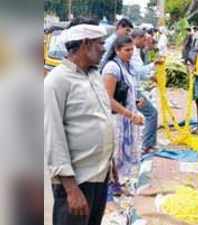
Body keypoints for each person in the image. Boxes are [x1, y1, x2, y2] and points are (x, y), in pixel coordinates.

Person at [45, 24, 113, 225]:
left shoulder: (93, 75)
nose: (103, 48)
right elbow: (53, 138)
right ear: (85, 44)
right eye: (100, 43)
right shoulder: (57, 81)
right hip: (77, 181)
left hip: (100, 175)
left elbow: (101, 118)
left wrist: (111, 159)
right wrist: (71, 190)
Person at [102, 36, 145, 191]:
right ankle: (113, 183)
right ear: (116, 50)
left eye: (132, 49)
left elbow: (126, 91)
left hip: (124, 116)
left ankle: (117, 181)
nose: (130, 53)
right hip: (115, 117)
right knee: (114, 152)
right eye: (127, 50)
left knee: (119, 151)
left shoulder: (126, 66)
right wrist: (131, 115)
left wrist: (135, 102)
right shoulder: (112, 68)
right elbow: (107, 99)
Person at [130, 29, 160, 154]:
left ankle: (147, 144)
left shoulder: (136, 51)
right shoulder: (132, 51)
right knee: (151, 113)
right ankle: (147, 145)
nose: (145, 43)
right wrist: (154, 64)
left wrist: (150, 77)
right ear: (137, 38)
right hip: (131, 88)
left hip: (133, 87)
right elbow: (138, 71)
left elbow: (138, 72)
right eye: (144, 40)